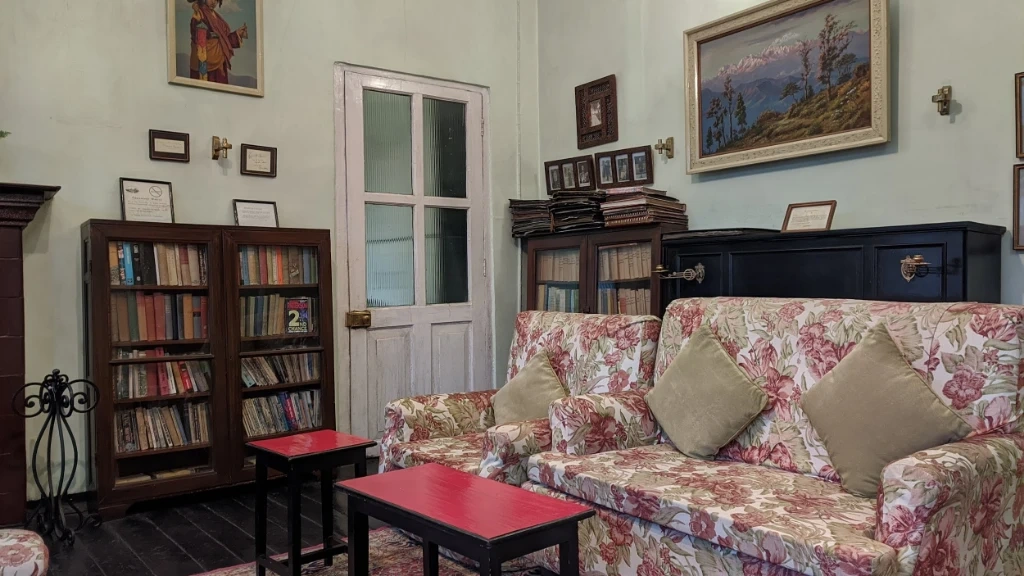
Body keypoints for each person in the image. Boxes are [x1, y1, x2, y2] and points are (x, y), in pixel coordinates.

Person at [189, 0, 249, 84]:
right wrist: (210, 35)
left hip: (220, 61)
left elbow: (223, 40)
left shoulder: (216, 16)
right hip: (205, 62)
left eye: (216, 0)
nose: (213, 2)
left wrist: (237, 33)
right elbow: (197, 35)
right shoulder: (199, 14)